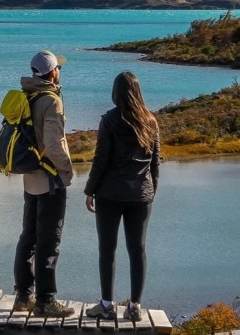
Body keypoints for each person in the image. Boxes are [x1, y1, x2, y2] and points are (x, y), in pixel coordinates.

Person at [84, 71, 160, 322]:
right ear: (138, 92)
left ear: (116, 93)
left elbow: (101, 159)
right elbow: (155, 163)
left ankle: (106, 305)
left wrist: (90, 190)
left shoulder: (109, 120)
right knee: (137, 250)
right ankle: (135, 306)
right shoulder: (150, 121)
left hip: (109, 194)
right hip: (141, 195)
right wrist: (151, 191)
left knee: (108, 249)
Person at [13, 50, 76, 318]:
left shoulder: (28, 95)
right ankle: (46, 301)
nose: (60, 71)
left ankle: (23, 296)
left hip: (30, 177)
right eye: (58, 68)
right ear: (52, 72)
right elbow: (54, 143)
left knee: (28, 236)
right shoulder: (51, 100)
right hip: (50, 178)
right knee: (49, 241)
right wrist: (67, 171)